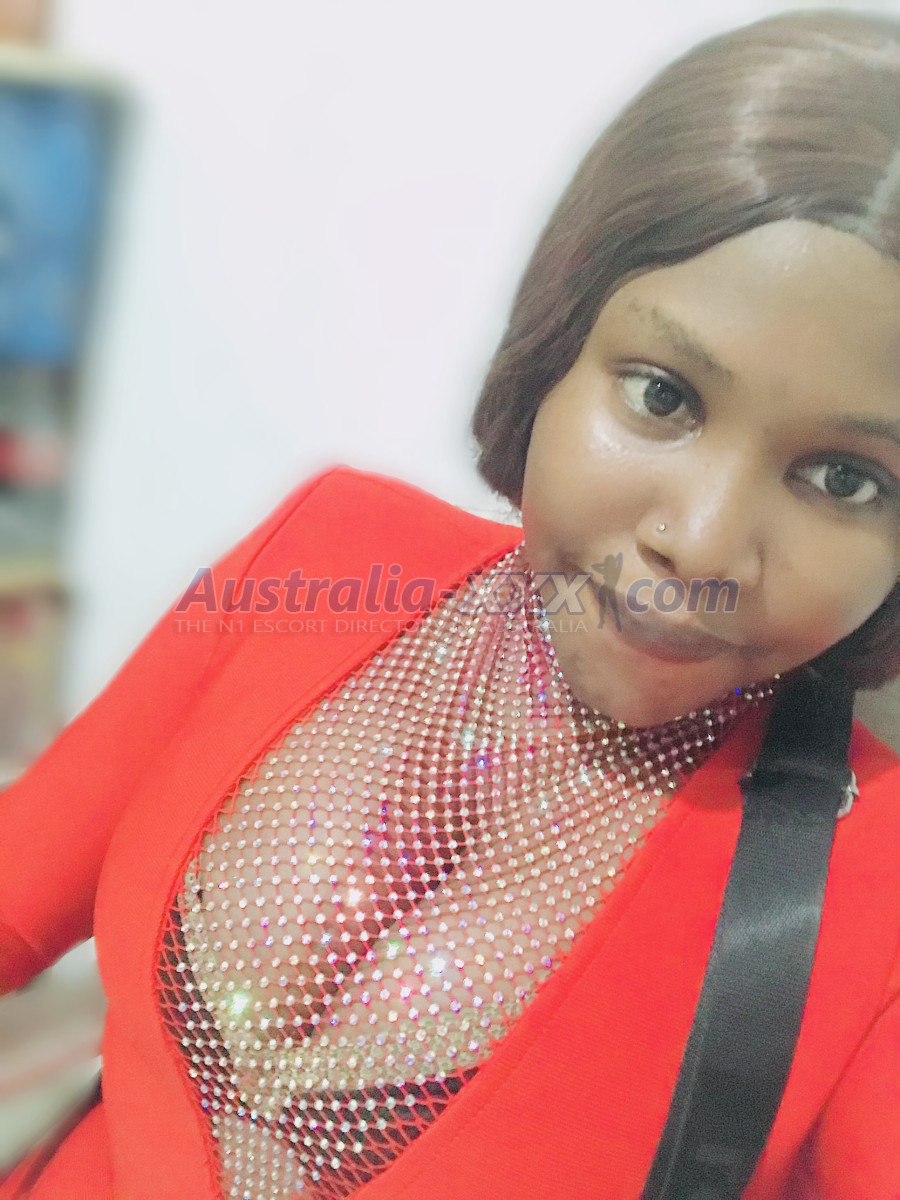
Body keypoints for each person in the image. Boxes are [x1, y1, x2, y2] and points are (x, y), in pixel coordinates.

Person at [2, 7, 900, 1198]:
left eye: (844, 479)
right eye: (662, 397)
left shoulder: (876, 892)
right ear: (557, 347)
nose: (699, 541)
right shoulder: (327, 555)